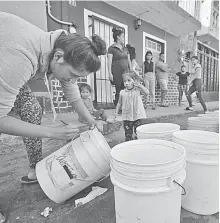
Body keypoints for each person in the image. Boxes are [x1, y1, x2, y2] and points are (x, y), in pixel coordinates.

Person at [0, 12, 106, 185]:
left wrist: (91, 120)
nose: (73, 80)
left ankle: (36, 167)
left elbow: (72, 93)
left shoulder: (61, 52)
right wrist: (52, 132)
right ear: (57, 57)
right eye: (73, 75)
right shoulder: (21, 55)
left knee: (32, 109)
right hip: (8, 58)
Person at [114, 72, 149, 141]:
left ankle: (138, 145)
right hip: (127, 116)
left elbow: (147, 93)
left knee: (138, 133)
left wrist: (140, 86)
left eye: (129, 80)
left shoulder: (137, 90)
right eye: (124, 81)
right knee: (128, 134)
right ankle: (128, 145)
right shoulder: (122, 92)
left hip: (137, 116)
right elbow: (119, 103)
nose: (126, 83)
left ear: (134, 81)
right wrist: (116, 112)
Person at [107, 28, 132, 107]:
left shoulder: (125, 49)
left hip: (126, 72)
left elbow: (129, 60)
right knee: (119, 90)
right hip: (117, 71)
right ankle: (118, 107)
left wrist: (131, 71)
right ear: (118, 37)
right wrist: (110, 73)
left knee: (126, 89)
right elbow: (109, 61)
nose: (124, 38)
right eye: (123, 37)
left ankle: (125, 107)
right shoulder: (111, 48)